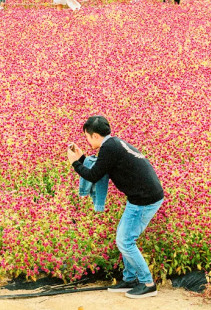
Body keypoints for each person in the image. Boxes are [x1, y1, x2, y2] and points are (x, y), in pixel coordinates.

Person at [67, 116, 164, 299]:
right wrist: (81, 157)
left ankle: (147, 283)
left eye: (87, 137)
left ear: (95, 135)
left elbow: (94, 175)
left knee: (125, 241)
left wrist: (74, 162)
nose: (87, 141)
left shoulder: (109, 148)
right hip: (141, 196)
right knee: (125, 237)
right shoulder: (112, 144)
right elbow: (101, 166)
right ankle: (130, 279)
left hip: (144, 199)